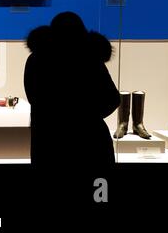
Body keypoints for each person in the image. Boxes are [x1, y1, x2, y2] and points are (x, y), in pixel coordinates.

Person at [24, 12, 120, 172]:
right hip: (89, 139)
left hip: (49, 138)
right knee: (98, 193)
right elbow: (112, 99)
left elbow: (34, 97)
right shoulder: (90, 58)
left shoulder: (37, 59)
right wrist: (88, 115)